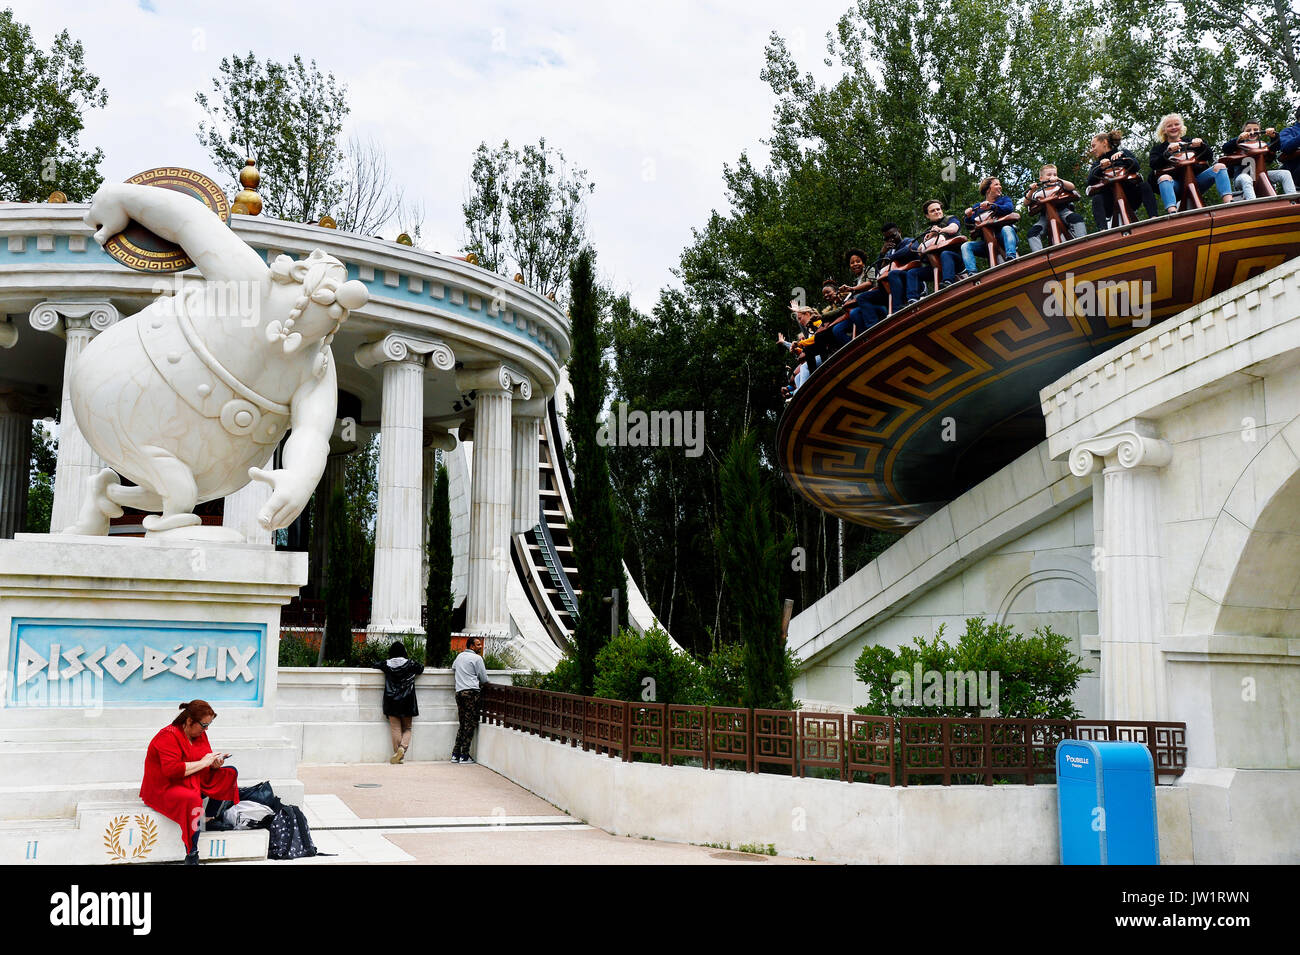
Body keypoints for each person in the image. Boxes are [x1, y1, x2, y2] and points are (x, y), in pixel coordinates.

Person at [140, 700, 240, 864]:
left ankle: (209, 819)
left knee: (229, 773)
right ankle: (192, 853)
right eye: (203, 725)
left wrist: (214, 765)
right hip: (165, 787)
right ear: (189, 721)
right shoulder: (167, 736)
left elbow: (204, 763)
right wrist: (204, 763)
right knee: (192, 799)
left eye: (209, 725)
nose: (206, 729)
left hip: (191, 779)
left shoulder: (200, 734)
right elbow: (171, 771)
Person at [1149, 113, 1234, 213]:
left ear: (1182, 126)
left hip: (1197, 181)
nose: (1173, 127)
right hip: (1177, 185)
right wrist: (1168, 152)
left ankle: (1229, 202)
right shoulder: (1158, 149)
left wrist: (1201, 145)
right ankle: (1172, 211)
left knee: (1220, 166)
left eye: (1176, 124)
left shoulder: (1191, 142)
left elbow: (1208, 155)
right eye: (1169, 126)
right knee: (1164, 178)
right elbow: (1154, 164)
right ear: (1164, 130)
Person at [1086, 130, 1160, 228]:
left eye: (1093, 146)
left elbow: (1136, 167)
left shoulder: (1124, 153)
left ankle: (1154, 217)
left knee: (1144, 186)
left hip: (1130, 197)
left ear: (1104, 142)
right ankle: (1102, 230)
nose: (1092, 150)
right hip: (1110, 202)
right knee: (1096, 199)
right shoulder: (1097, 164)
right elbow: (1090, 181)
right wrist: (1101, 167)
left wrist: (1123, 156)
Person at [373, 641, 424, 763]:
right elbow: (421, 668)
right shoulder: (410, 663)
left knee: (395, 728)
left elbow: (375, 665)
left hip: (391, 700)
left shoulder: (386, 664)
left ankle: (398, 754)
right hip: (407, 700)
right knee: (407, 728)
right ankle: (402, 748)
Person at [1220, 119, 1296, 200]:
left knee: (1285, 174)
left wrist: (1274, 137)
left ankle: (1293, 199)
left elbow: (1275, 147)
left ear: (1260, 132)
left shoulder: (1262, 145)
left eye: (1256, 130)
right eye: (1248, 130)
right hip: (1241, 176)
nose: (1252, 132)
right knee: (1246, 179)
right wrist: (1239, 138)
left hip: (1261, 174)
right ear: (1243, 132)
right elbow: (1225, 148)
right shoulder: (1237, 145)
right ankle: (1252, 203)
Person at [961, 176, 1018, 273]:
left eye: (1000, 184)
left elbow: (1009, 209)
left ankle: (1011, 257)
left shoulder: (1004, 199)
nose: (1000, 186)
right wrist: (968, 215)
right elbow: (969, 225)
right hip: (987, 243)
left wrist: (991, 206)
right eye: (996, 184)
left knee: (1006, 228)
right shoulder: (977, 207)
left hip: (1004, 237)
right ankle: (972, 272)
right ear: (988, 190)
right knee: (966, 246)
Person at [1026, 164, 1088, 251]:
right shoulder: (1037, 193)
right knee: (1032, 233)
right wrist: (1031, 191)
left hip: (1063, 211)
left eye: (1054, 174)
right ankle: (1039, 254)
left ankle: (1082, 242)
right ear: (1041, 179)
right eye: (1049, 175)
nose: (1052, 177)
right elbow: (1026, 202)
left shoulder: (1060, 185)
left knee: (1076, 218)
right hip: (1045, 216)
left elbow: (1072, 187)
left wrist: (1059, 180)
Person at [451, 636, 492, 763]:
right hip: (471, 693)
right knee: (470, 724)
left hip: (459, 692)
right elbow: (484, 679)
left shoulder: (459, 657)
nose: (481, 646)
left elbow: (453, 668)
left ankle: (455, 754)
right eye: (478, 645)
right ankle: (464, 755)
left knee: (462, 724)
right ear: (472, 646)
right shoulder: (477, 658)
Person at [838, 248, 888, 333]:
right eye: (852, 263)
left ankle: (873, 328)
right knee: (853, 313)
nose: (855, 264)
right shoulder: (855, 281)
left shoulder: (869, 270)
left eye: (858, 261)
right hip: (863, 307)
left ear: (863, 262)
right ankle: (864, 335)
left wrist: (852, 289)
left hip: (875, 301)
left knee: (861, 298)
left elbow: (869, 284)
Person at [918, 199, 965, 289]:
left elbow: (953, 228)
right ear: (927, 215)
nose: (937, 212)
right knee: (912, 273)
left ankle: (948, 282)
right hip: (935, 264)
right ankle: (914, 299)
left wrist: (940, 230)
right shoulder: (927, 232)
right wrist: (930, 237)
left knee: (945, 254)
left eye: (938, 209)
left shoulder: (950, 219)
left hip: (955, 260)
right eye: (933, 211)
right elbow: (920, 250)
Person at [876, 223, 924, 309]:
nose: (891, 240)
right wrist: (882, 253)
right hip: (895, 286)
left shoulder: (909, 241)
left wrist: (890, 258)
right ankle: (895, 309)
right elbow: (878, 273)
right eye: (887, 239)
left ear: (899, 232)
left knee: (893, 274)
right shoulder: (889, 252)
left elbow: (910, 249)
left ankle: (897, 308)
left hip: (914, 282)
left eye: (893, 236)